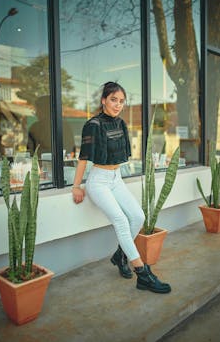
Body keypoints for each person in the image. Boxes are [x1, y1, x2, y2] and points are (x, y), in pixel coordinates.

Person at [72, 81, 171, 294]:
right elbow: (83, 158)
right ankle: (142, 273)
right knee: (121, 220)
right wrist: (76, 186)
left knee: (138, 217)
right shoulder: (93, 125)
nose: (118, 105)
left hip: (116, 178)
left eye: (121, 101)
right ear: (103, 101)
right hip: (98, 181)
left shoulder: (121, 123)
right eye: (113, 100)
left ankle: (119, 255)